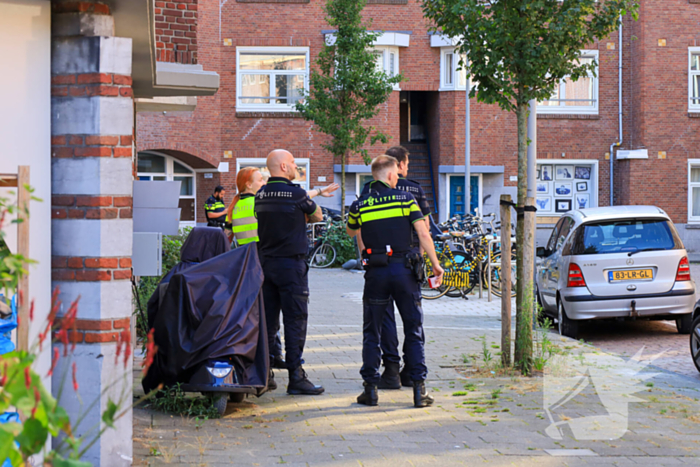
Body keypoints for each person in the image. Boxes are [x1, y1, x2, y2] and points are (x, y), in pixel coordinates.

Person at [346, 155, 444, 408]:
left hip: (376, 272)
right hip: (404, 271)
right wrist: (435, 264)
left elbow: (351, 230)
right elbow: (423, 232)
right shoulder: (406, 199)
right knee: (413, 329)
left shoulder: (360, 203)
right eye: (397, 175)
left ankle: (370, 390)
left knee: (372, 331)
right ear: (391, 175)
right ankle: (418, 390)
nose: (399, 178)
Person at [255, 149, 337, 395]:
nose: (295, 167)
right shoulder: (296, 193)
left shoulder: (260, 194)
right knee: (295, 320)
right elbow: (317, 215)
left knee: (268, 321)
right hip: (291, 267)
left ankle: (265, 374)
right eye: (292, 162)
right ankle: (296, 377)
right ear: (282, 167)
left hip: (265, 265)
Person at [358, 146, 431, 390]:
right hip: (406, 265)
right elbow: (425, 230)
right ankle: (414, 378)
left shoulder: (366, 193)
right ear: (397, 167)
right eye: (405, 166)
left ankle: (387, 372)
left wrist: (365, 257)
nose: (405, 171)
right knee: (413, 323)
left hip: (377, 265)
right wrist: (424, 262)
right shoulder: (413, 191)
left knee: (379, 322)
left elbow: (356, 228)